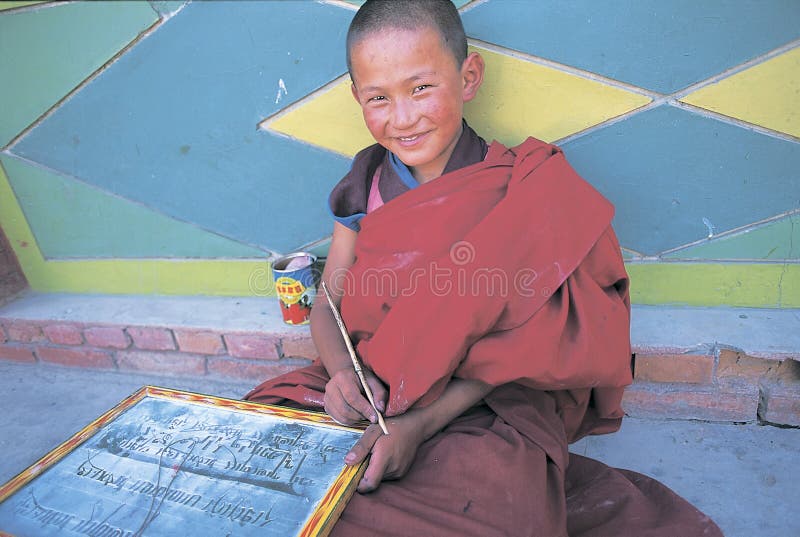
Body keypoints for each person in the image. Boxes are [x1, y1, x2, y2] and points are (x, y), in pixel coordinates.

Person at [247, 1, 723, 535]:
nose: (402, 117)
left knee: (493, 502)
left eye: (421, 88)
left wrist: (418, 424)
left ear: (468, 77)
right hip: (373, 380)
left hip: (485, 402)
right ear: (357, 97)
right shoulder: (366, 182)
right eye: (379, 97)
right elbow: (330, 304)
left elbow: (522, 349)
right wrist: (343, 375)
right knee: (257, 464)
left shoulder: (521, 190)